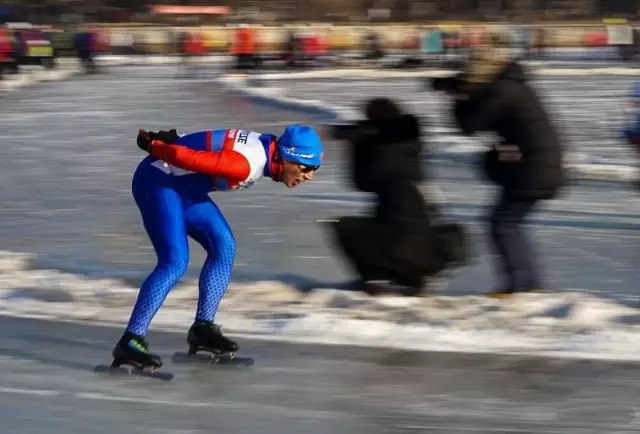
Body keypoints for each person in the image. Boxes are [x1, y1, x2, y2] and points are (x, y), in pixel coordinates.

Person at [113, 125, 324, 369]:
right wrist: (156, 146)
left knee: (224, 245)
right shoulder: (246, 164)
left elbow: (206, 144)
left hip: (183, 187)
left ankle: (203, 328)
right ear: (287, 157)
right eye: (306, 168)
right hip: (157, 182)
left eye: (314, 170)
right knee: (175, 261)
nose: (309, 176)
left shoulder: (266, 146)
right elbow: (184, 157)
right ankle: (131, 339)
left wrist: (173, 138)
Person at [431, 45, 565, 298]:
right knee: (507, 223)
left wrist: (458, 94)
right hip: (536, 163)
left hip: (533, 166)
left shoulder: (503, 90)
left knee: (503, 223)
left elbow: (469, 126)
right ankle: (526, 283)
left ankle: (522, 286)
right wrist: (461, 92)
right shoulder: (509, 85)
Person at [329, 98, 468, 296]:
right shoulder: (409, 142)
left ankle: (378, 281)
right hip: (424, 233)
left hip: (407, 244)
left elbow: (362, 183)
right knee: (389, 228)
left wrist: (357, 147)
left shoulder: (380, 150)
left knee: (345, 227)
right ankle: (406, 277)